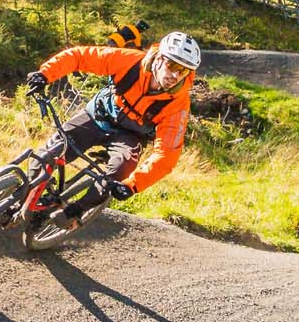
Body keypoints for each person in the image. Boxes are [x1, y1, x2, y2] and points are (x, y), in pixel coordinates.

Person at [21, 29, 201, 228]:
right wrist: (45, 74)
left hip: (131, 136)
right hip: (98, 116)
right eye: (172, 65)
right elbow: (80, 56)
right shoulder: (130, 62)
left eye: (183, 70)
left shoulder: (178, 105)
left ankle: (75, 211)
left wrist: (133, 186)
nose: (175, 75)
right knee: (45, 156)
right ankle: (24, 196)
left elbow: (167, 154)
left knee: (116, 175)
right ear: (159, 58)